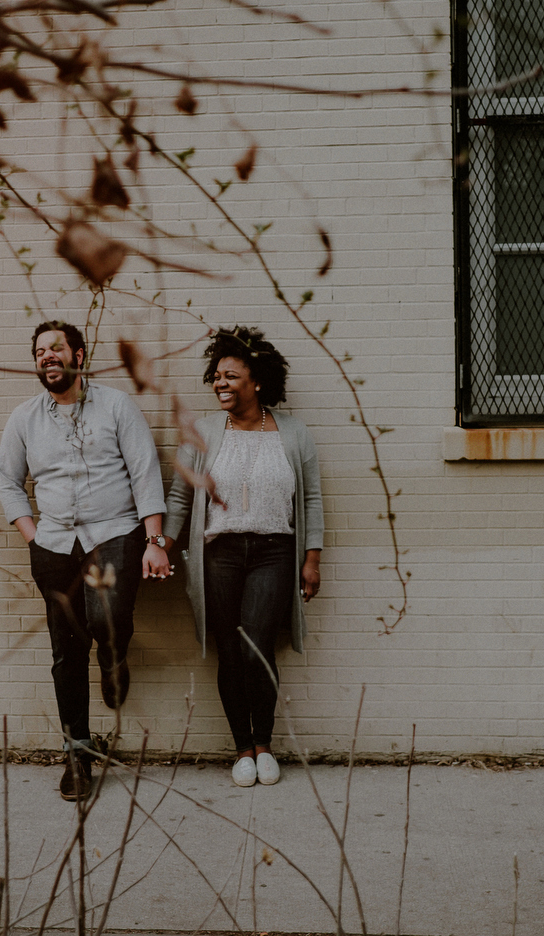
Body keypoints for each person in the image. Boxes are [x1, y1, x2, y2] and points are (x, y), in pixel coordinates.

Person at [0, 320, 172, 801]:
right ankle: (78, 754)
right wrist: (33, 537)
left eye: (56, 348)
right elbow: (8, 481)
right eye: (39, 352)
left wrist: (154, 539)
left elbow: (145, 473)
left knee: (107, 616)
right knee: (65, 652)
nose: (47, 357)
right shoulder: (24, 419)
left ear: (78, 354)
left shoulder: (116, 406)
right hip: (53, 545)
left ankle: (114, 657)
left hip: (114, 533)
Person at [165, 326, 322, 787]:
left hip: (275, 551)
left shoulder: (294, 433)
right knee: (230, 652)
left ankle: (265, 743)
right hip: (220, 551)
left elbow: (312, 500)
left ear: (257, 381)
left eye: (230, 376)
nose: (220, 384)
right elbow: (179, 499)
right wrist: (161, 547)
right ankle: (242, 749)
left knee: (257, 647)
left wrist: (311, 560)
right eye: (216, 376)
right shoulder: (204, 432)